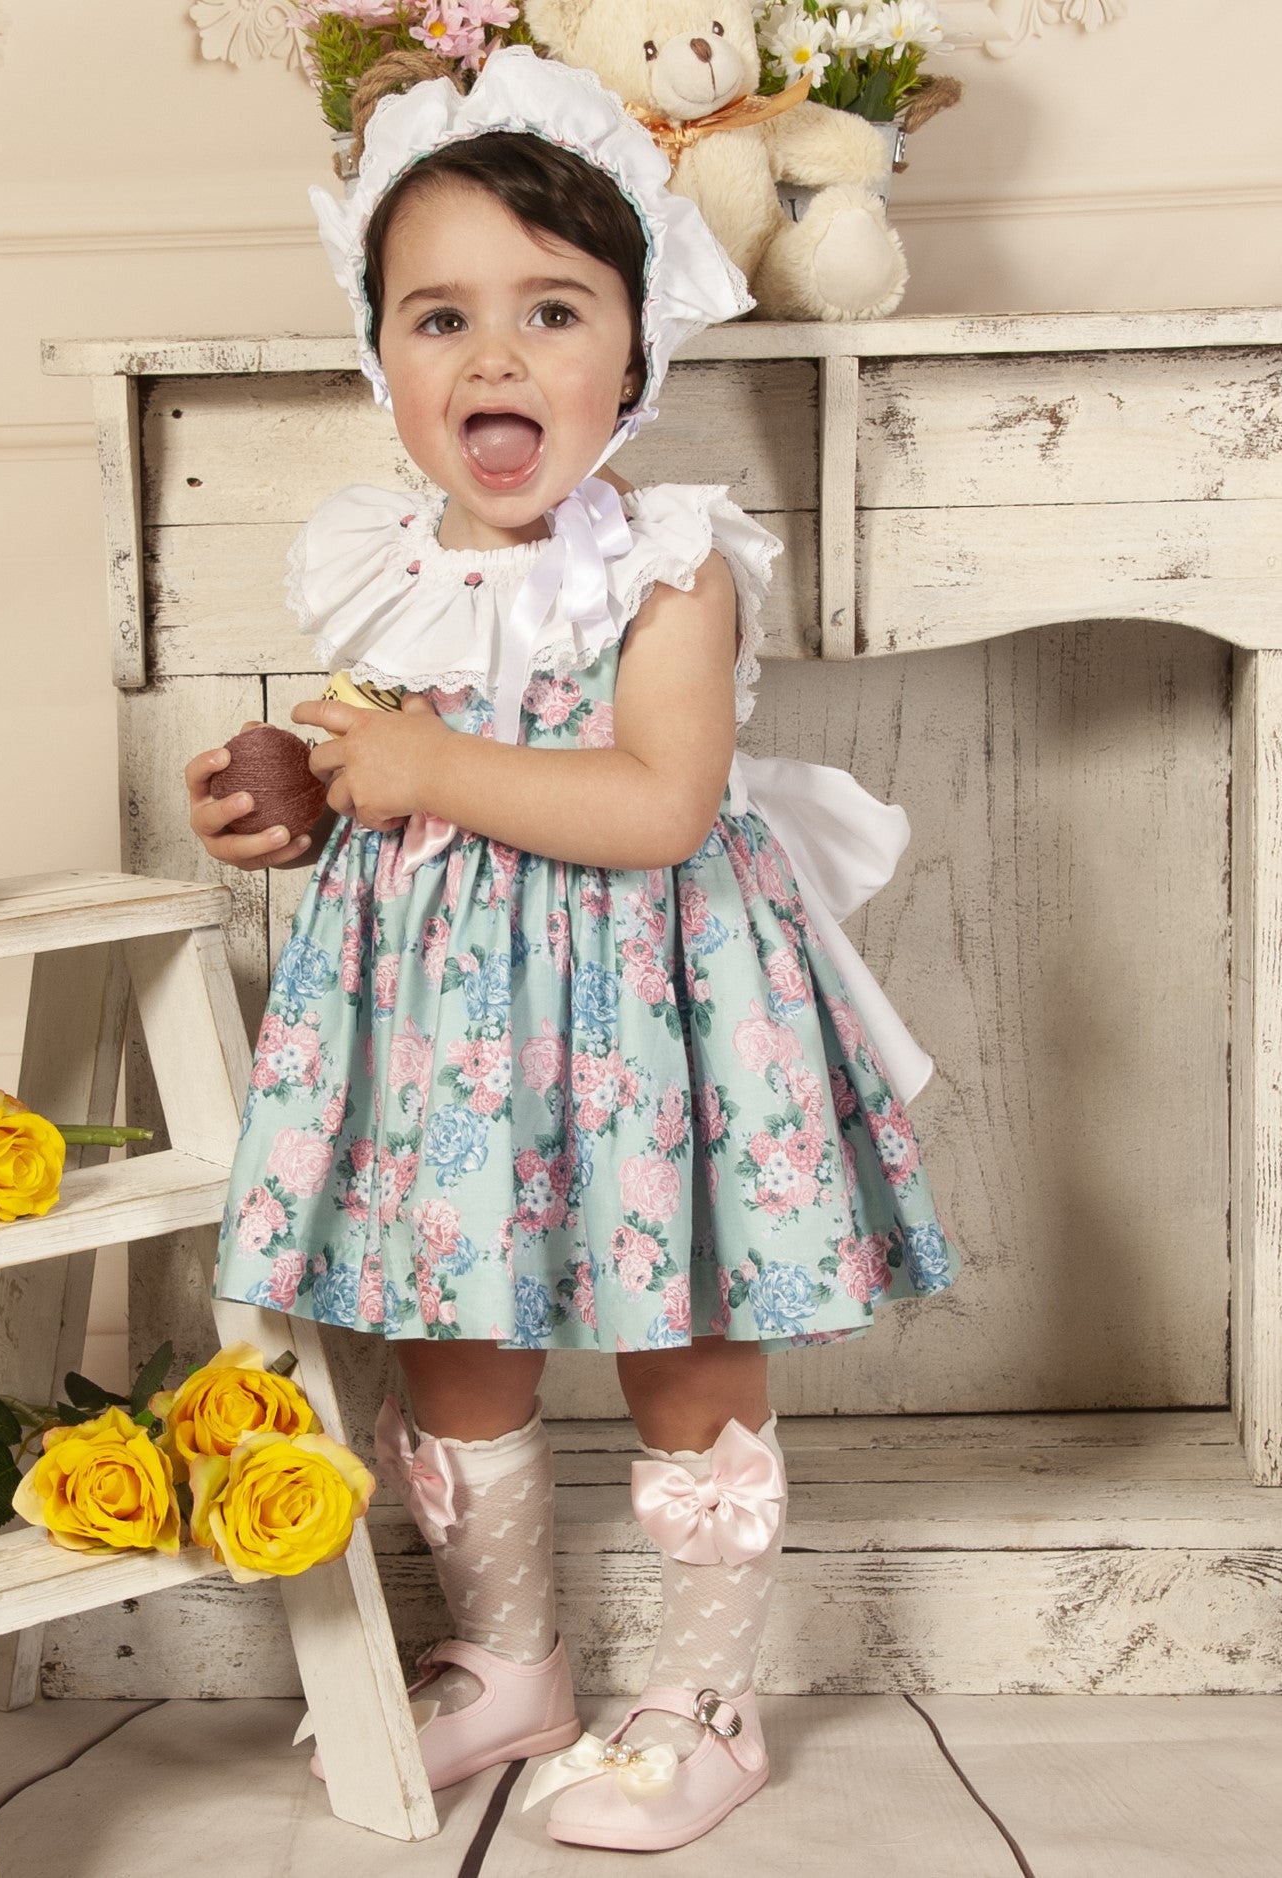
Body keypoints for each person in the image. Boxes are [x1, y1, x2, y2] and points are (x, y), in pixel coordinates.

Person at [184, 48, 961, 1853]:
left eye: (552, 310)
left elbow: (661, 802)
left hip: (652, 1024)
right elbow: (376, 760)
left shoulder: (669, 567)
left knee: (686, 1338)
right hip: (451, 1039)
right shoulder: (384, 564)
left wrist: (430, 767)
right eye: (440, 316)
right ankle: (508, 1655)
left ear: (635, 349)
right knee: (456, 1337)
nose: (497, 355)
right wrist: (290, 793)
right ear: (382, 359)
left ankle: (702, 1694)